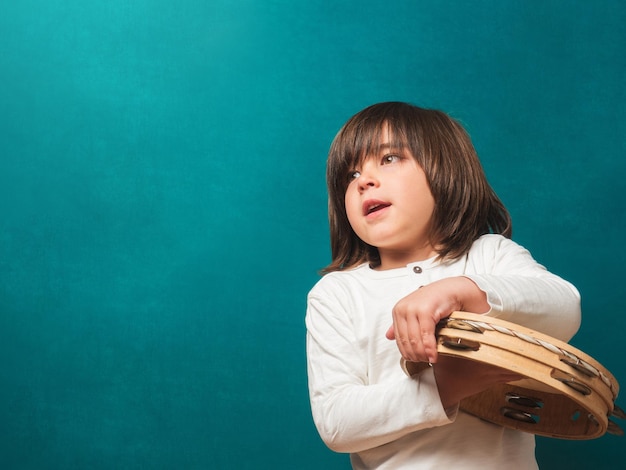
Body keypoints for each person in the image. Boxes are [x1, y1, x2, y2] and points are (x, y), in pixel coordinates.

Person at [305, 102, 581, 469]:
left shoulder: (488, 256)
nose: (363, 181)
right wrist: (446, 385)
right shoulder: (337, 293)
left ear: (445, 171)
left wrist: (464, 290)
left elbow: (565, 309)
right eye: (350, 174)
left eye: (389, 159)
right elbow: (336, 423)